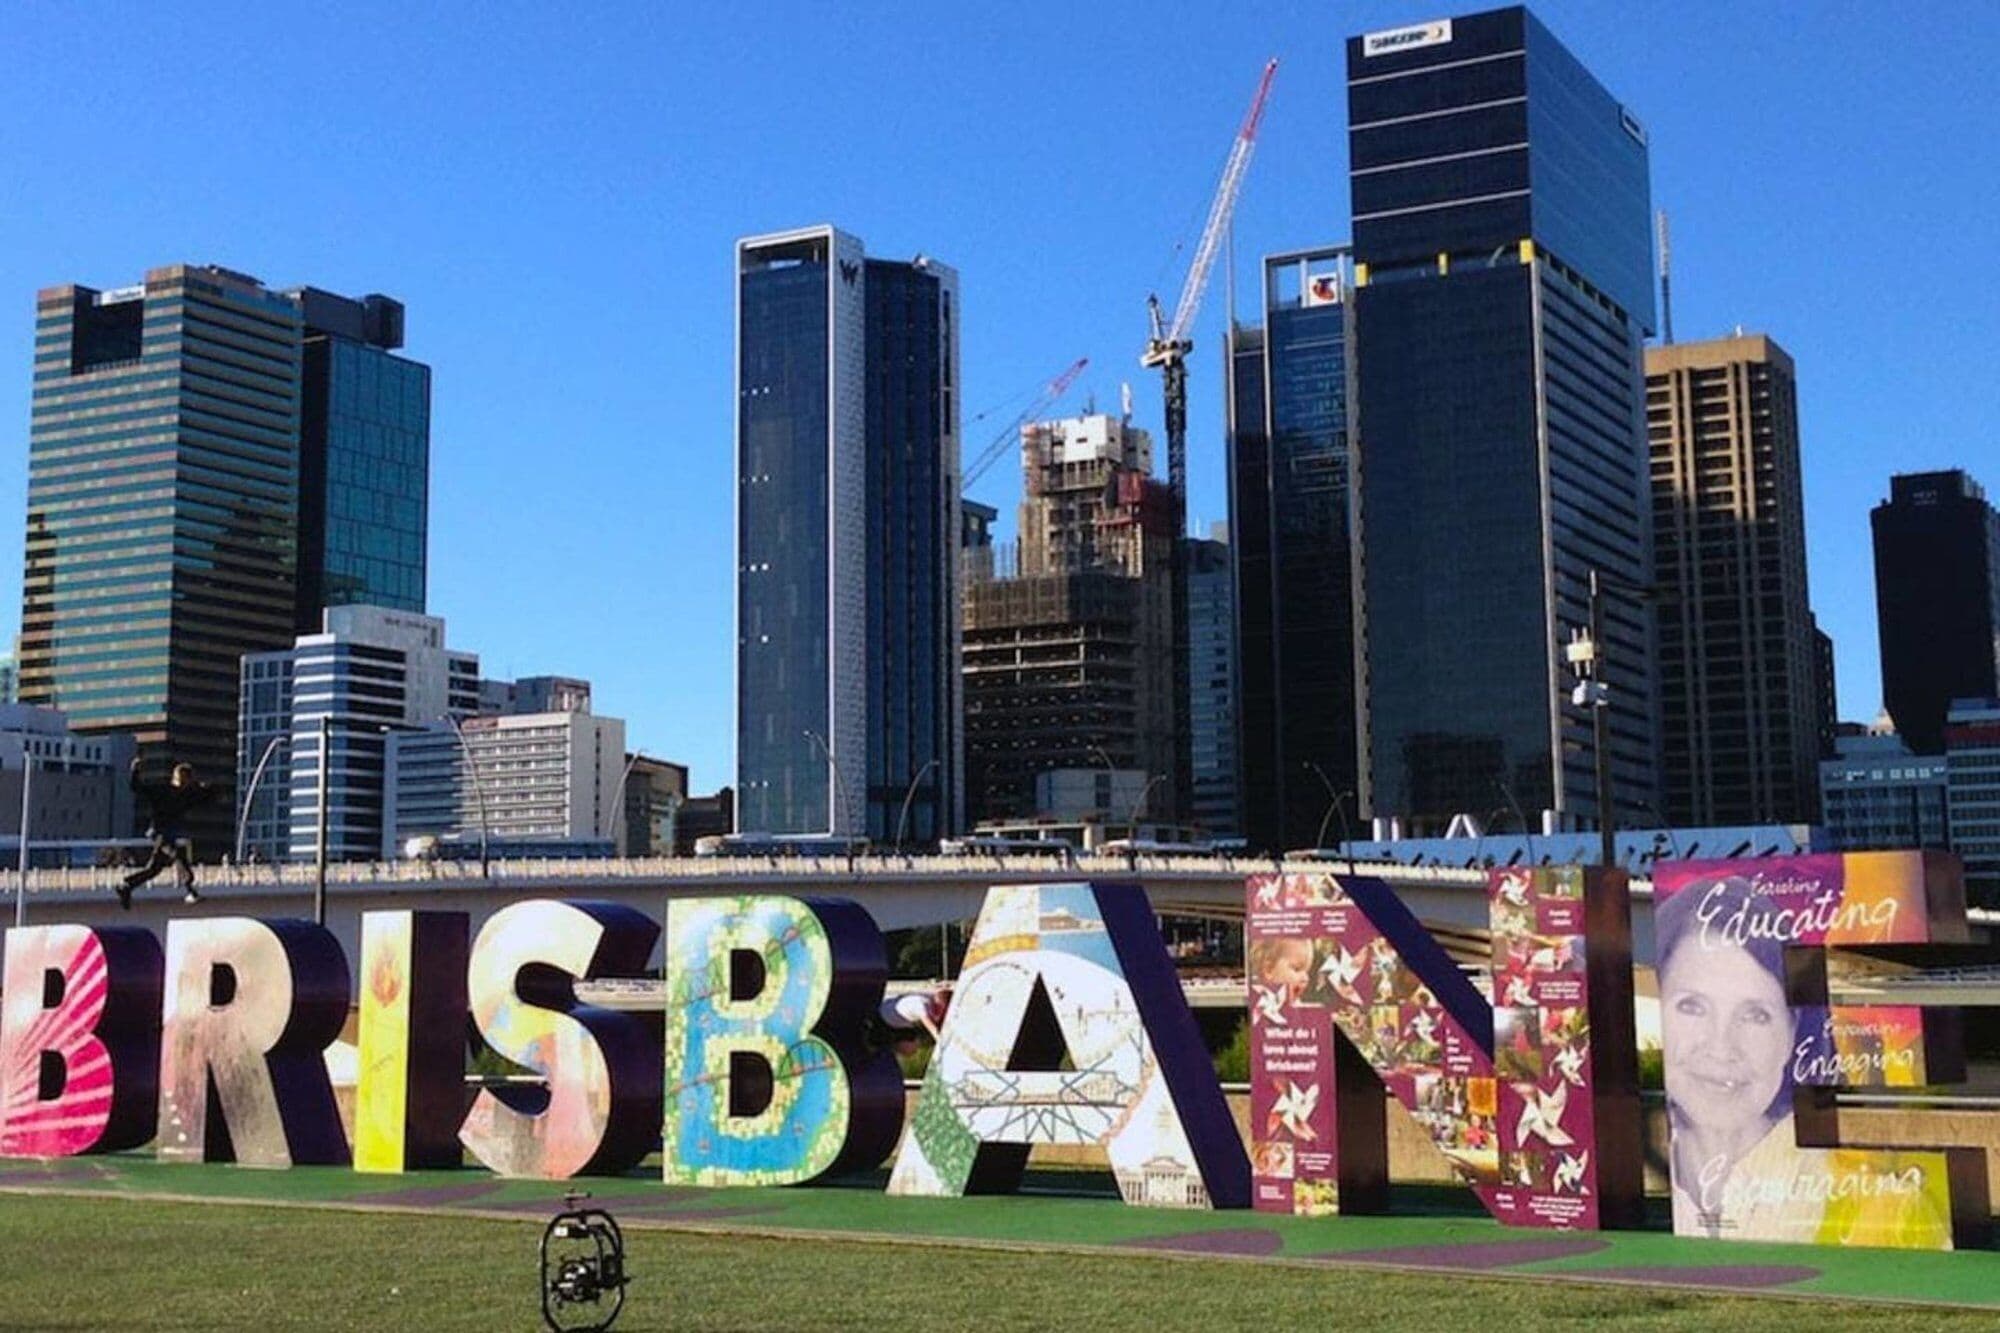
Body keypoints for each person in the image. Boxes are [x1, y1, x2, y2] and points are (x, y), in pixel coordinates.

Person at [119, 758, 222, 909]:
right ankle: (190, 888)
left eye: (187, 780)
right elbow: (137, 787)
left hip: (169, 833)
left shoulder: (188, 794)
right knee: (177, 854)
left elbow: (208, 795)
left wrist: (210, 788)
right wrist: (135, 770)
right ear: (177, 778)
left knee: (153, 870)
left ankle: (126, 886)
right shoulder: (162, 790)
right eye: (183, 779)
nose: (184, 783)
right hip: (159, 833)